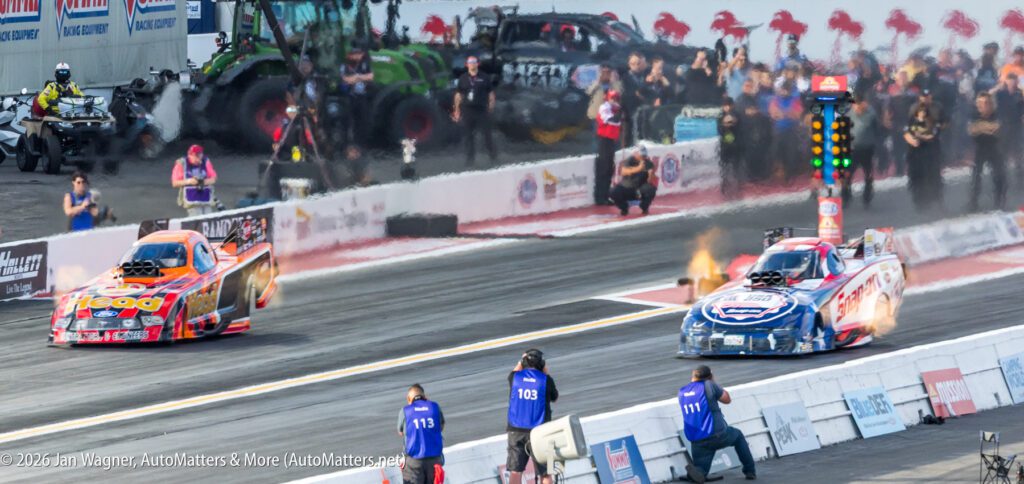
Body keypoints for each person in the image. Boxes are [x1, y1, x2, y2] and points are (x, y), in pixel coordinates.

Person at [679, 365, 756, 482]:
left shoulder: (682, 391)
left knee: (701, 467)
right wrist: (713, 382)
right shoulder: (709, 385)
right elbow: (727, 399)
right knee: (738, 436)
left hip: (696, 439)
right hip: (717, 434)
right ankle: (750, 471)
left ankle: (698, 473)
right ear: (709, 376)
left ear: (693, 376)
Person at [507, 349, 558, 484]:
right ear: (542, 364)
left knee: (515, 471)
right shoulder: (546, 380)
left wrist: (521, 361)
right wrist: (546, 371)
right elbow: (555, 397)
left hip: (516, 430)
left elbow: (514, 372)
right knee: (546, 472)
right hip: (540, 432)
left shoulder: (514, 378)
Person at [453, 56, 497, 167]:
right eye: (470, 62)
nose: (472, 64)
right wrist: (456, 110)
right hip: (468, 110)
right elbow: (458, 95)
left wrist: (491, 106)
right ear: (466, 64)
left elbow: (491, 94)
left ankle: (492, 156)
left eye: (474, 62)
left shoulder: (485, 77)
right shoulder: (463, 78)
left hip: (482, 110)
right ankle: (470, 159)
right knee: (468, 136)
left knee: (487, 135)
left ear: (478, 64)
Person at [398, 384, 445, 484]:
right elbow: (441, 426)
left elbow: (400, 432)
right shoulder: (435, 406)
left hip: (413, 462)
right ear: (425, 397)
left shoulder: (405, 410)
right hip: (435, 460)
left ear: (408, 399)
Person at [968, 92, 1006, 211]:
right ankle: (973, 202)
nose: (982, 106)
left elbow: (997, 128)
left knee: (999, 175)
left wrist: (981, 127)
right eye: (979, 103)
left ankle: (999, 202)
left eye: (985, 103)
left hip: (994, 147)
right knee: (976, 176)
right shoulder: (973, 115)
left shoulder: (997, 114)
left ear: (990, 104)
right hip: (980, 148)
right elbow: (972, 130)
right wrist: (987, 127)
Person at [904, 106, 941, 211]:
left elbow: (931, 136)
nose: (922, 114)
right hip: (913, 155)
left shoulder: (931, 123)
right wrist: (912, 139)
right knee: (915, 179)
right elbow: (906, 134)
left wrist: (919, 136)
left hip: (927, 155)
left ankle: (928, 200)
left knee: (927, 178)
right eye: (920, 112)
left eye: (924, 111)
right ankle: (917, 200)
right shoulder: (911, 123)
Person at [846, 94, 880, 207]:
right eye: (856, 105)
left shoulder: (871, 114)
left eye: (861, 104)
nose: (858, 107)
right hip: (852, 149)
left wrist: (876, 145)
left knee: (868, 175)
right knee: (847, 174)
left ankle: (867, 198)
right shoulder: (848, 114)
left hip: (867, 149)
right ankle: (846, 197)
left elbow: (877, 130)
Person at [991, 73, 1024, 185]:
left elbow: (1021, 107)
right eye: (1010, 81)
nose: (1013, 83)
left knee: (1017, 151)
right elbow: (988, 95)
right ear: (1007, 82)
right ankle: (1001, 175)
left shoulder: (1019, 93)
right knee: (1003, 151)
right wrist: (998, 86)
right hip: (1004, 124)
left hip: (1016, 124)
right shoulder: (1001, 93)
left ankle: (1019, 176)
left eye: (1014, 81)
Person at [342, 41, 375, 146]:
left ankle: (361, 144)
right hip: (349, 97)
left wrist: (357, 77)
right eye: (355, 54)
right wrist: (359, 78)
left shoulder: (365, 64)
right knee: (348, 121)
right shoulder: (345, 66)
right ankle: (347, 144)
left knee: (362, 120)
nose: (358, 56)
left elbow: (370, 76)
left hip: (362, 97)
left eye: (359, 54)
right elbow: (345, 79)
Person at [172, 144, 218, 216]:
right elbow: (174, 183)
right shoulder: (181, 163)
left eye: (200, 156)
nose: (198, 159)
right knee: (197, 219)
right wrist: (189, 181)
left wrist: (203, 182)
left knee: (208, 217)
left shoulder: (205, 161)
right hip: (192, 199)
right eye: (196, 156)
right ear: (190, 155)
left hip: (205, 198)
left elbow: (213, 179)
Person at [594, 90, 623, 206]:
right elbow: (612, 120)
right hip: (604, 140)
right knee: (603, 168)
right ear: (608, 98)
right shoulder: (604, 108)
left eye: (616, 99)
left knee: (610, 169)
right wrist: (619, 111)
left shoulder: (616, 109)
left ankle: (606, 195)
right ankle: (600, 197)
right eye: (613, 98)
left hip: (612, 141)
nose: (614, 101)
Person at [610, 146, 657, 215]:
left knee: (651, 189)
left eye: (644, 156)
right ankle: (624, 208)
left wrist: (651, 175)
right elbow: (624, 171)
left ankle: (644, 207)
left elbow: (651, 181)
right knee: (613, 191)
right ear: (636, 153)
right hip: (627, 187)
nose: (643, 157)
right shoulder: (629, 160)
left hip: (640, 188)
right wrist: (638, 168)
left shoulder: (648, 163)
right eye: (641, 155)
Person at [586, 63, 623, 146]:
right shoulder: (595, 83)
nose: (606, 74)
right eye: (603, 72)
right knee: (597, 138)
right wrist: (598, 81)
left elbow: (619, 94)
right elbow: (588, 92)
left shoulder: (616, 84)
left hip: (612, 115)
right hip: (597, 115)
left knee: (611, 138)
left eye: (608, 72)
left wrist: (613, 81)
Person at [621, 52, 649, 146]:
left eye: (638, 63)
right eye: (633, 64)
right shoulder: (624, 79)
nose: (636, 66)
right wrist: (636, 94)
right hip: (629, 113)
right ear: (629, 64)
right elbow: (624, 96)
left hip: (645, 113)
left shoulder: (646, 77)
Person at [717, 97, 742, 196]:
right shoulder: (720, 116)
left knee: (736, 167)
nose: (726, 108)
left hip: (736, 145)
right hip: (725, 146)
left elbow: (736, 122)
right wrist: (724, 124)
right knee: (725, 167)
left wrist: (731, 121)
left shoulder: (736, 114)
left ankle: (737, 186)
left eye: (728, 105)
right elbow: (720, 129)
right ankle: (725, 186)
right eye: (724, 106)